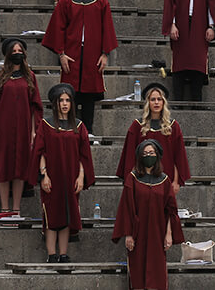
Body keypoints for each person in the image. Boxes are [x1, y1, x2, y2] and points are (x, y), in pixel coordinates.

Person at [43, 0, 117, 134]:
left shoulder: (101, 2)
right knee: (70, 92)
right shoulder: (66, 1)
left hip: (93, 53)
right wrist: (61, 54)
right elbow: (58, 28)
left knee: (90, 93)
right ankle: (71, 129)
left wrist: (105, 54)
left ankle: (88, 131)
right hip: (71, 53)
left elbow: (107, 28)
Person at [0, 38, 40, 218]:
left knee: (20, 167)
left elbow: (36, 105)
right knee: (3, 167)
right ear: (7, 54)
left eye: (20, 50)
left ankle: (16, 209)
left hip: (23, 129)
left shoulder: (30, 76)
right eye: (13, 51)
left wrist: (34, 130)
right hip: (2, 128)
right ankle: (4, 209)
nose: (17, 53)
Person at [34, 83, 96, 264]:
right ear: (55, 103)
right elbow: (40, 151)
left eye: (68, 100)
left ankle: (63, 254)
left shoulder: (79, 126)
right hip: (52, 176)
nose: (64, 104)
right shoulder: (45, 124)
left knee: (68, 214)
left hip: (71, 176)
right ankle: (51, 254)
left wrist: (81, 176)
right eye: (61, 100)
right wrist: (43, 175)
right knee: (52, 215)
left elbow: (84, 155)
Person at [113, 138, 183, 289]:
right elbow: (126, 208)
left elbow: (171, 210)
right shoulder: (132, 178)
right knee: (138, 275)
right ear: (139, 157)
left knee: (156, 275)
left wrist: (168, 234)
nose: (148, 156)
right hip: (138, 234)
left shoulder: (164, 180)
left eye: (151, 152)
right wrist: (128, 234)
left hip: (158, 233)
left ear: (157, 155)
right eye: (144, 153)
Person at [115, 83, 192, 196]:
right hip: (141, 180)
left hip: (166, 179)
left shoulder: (173, 126)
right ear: (148, 103)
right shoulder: (137, 126)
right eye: (153, 99)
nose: (156, 102)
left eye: (159, 99)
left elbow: (178, 157)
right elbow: (130, 156)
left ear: (163, 102)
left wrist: (176, 182)